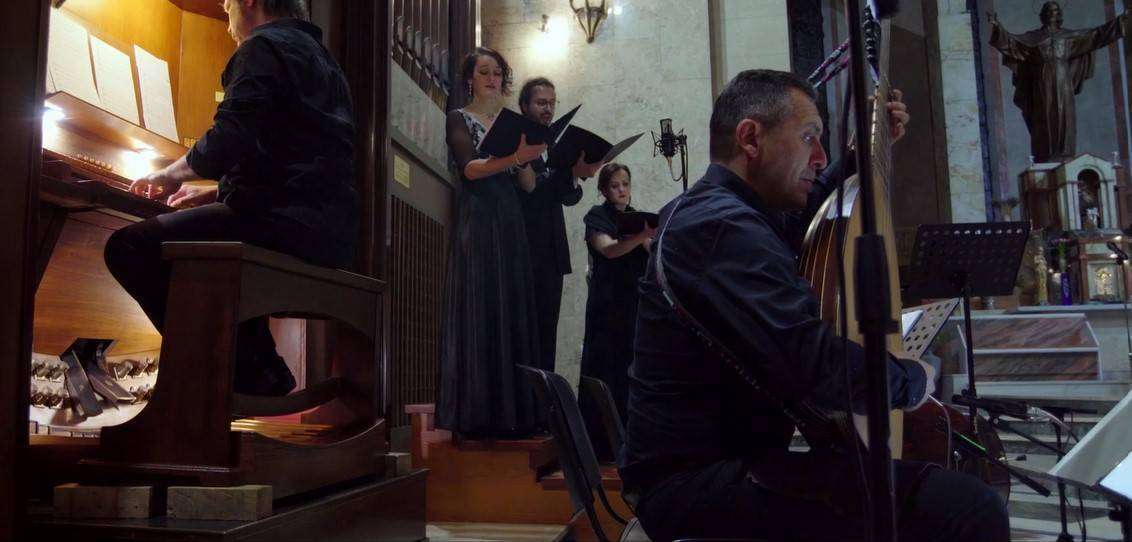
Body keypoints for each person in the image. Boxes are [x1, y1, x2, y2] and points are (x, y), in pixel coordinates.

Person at [619, 70, 1009, 541]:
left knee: (890, 477)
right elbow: (818, 369)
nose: (820, 158)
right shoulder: (719, 227)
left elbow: (808, 215)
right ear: (750, 138)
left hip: (719, 467)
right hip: (695, 485)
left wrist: (861, 155)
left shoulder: (718, 212)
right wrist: (912, 379)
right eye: (809, 138)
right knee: (968, 507)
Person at [103, 0, 357, 397]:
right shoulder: (324, 60)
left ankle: (225, 378)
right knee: (217, 242)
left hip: (284, 222)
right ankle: (262, 371)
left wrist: (167, 173)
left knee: (129, 246)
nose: (227, 23)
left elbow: (228, 139)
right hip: (326, 229)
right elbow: (296, 157)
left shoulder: (262, 46)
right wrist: (217, 191)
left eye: (226, 9)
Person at [436, 47, 547, 439]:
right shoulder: (458, 117)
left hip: (509, 220)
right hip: (478, 219)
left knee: (511, 306)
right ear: (470, 78)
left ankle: (515, 414)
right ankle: (478, 415)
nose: (492, 78)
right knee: (480, 305)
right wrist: (513, 157)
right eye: (484, 72)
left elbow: (528, 186)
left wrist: (527, 157)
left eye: (498, 72)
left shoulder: (511, 122)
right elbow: (469, 168)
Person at [515, 77, 604, 374]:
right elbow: (532, 193)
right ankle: (526, 400)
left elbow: (568, 197)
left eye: (552, 103)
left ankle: (544, 399)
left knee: (547, 335)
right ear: (524, 105)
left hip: (552, 253)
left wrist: (576, 173)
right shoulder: (518, 141)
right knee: (526, 336)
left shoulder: (551, 143)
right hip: (526, 250)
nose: (548, 109)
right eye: (541, 103)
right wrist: (568, 173)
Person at [988, 1, 1130, 162]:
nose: (1051, 14)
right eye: (1048, 11)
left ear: (1059, 15)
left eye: (1055, 11)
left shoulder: (1069, 36)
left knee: (1065, 115)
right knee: (1044, 116)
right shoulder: (1033, 37)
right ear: (1042, 16)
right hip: (1042, 80)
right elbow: (1013, 43)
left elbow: (1096, 35)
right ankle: (1045, 155)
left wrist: (1120, 21)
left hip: (1063, 80)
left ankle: (1065, 154)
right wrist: (997, 27)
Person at [579, 163, 652, 460]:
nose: (622, 190)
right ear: (603, 190)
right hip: (606, 307)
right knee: (605, 368)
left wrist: (652, 237)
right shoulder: (597, 216)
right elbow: (608, 249)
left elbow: (654, 252)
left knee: (631, 372)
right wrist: (640, 237)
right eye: (614, 185)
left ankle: (630, 444)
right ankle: (600, 446)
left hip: (634, 306)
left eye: (625, 184)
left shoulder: (638, 219)